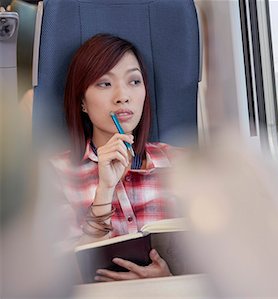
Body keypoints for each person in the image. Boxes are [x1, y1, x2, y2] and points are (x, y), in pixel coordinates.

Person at [51, 33, 178, 282]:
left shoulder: (176, 161)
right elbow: (59, 279)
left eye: (134, 81)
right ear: (82, 102)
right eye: (105, 83)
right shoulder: (54, 173)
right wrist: (105, 190)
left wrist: (169, 278)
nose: (122, 96)